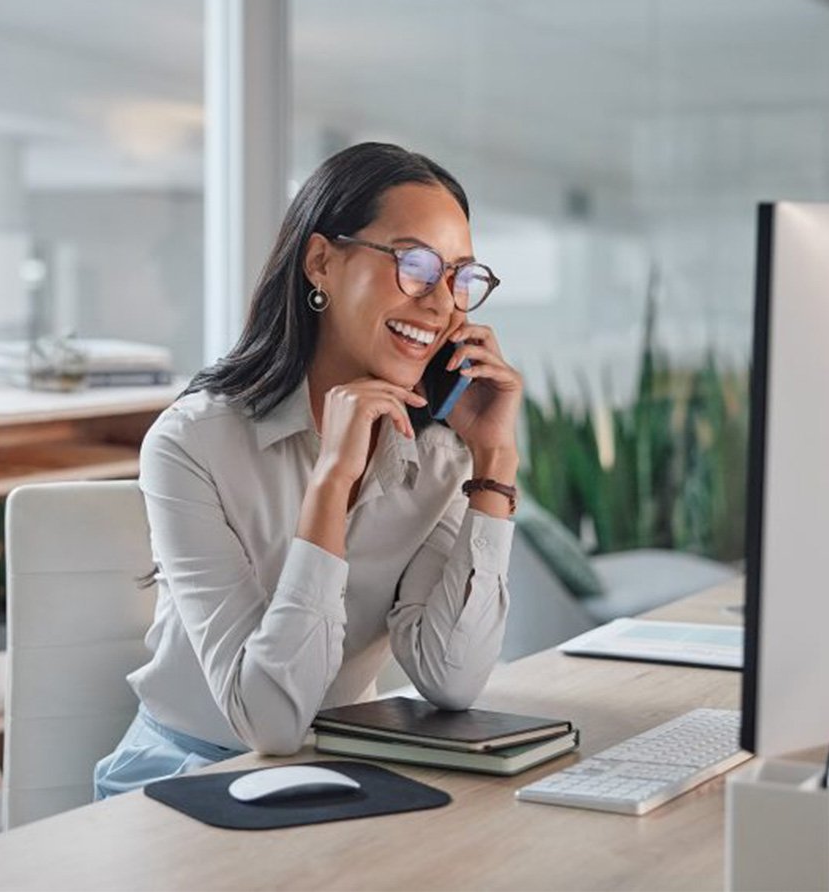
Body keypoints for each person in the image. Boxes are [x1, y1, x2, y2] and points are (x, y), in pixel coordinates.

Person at [94, 142, 522, 799]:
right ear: (321, 261)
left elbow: (452, 678)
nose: (442, 305)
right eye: (415, 264)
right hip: (183, 774)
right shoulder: (191, 443)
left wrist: (494, 462)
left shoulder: (443, 456)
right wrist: (331, 483)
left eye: (461, 277)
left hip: (344, 766)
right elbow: (269, 722)